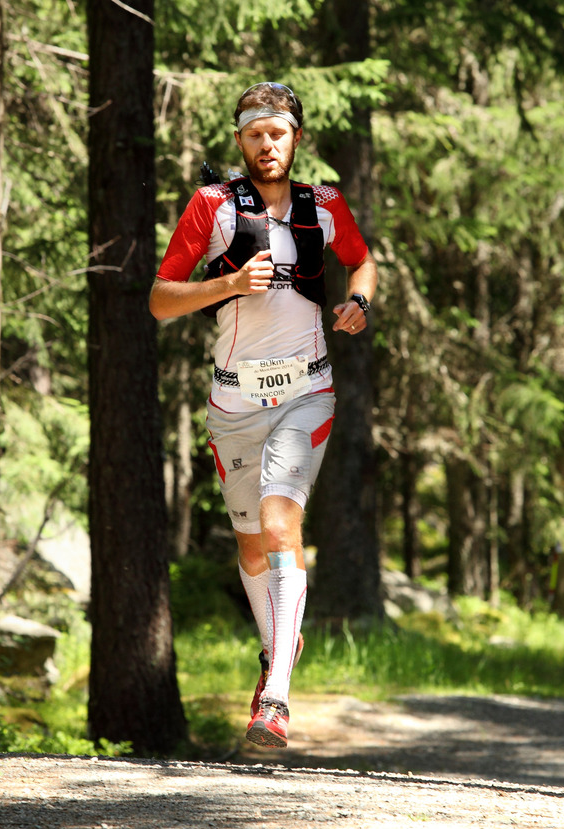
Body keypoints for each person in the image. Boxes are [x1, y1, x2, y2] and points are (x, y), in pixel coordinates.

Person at [150, 81, 378, 748]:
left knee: (281, 519)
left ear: (296, 138)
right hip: (233, 402)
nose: (267, 144)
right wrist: (227, 283)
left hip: (307, 393)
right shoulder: (213, 206)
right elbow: (161, 298)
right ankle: (283, 643)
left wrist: (359, 303)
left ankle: (275, 699)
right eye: (254, 134)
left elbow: (360, 261)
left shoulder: (324, 205)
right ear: (241, 141)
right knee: (252, 544)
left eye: (278, 133)